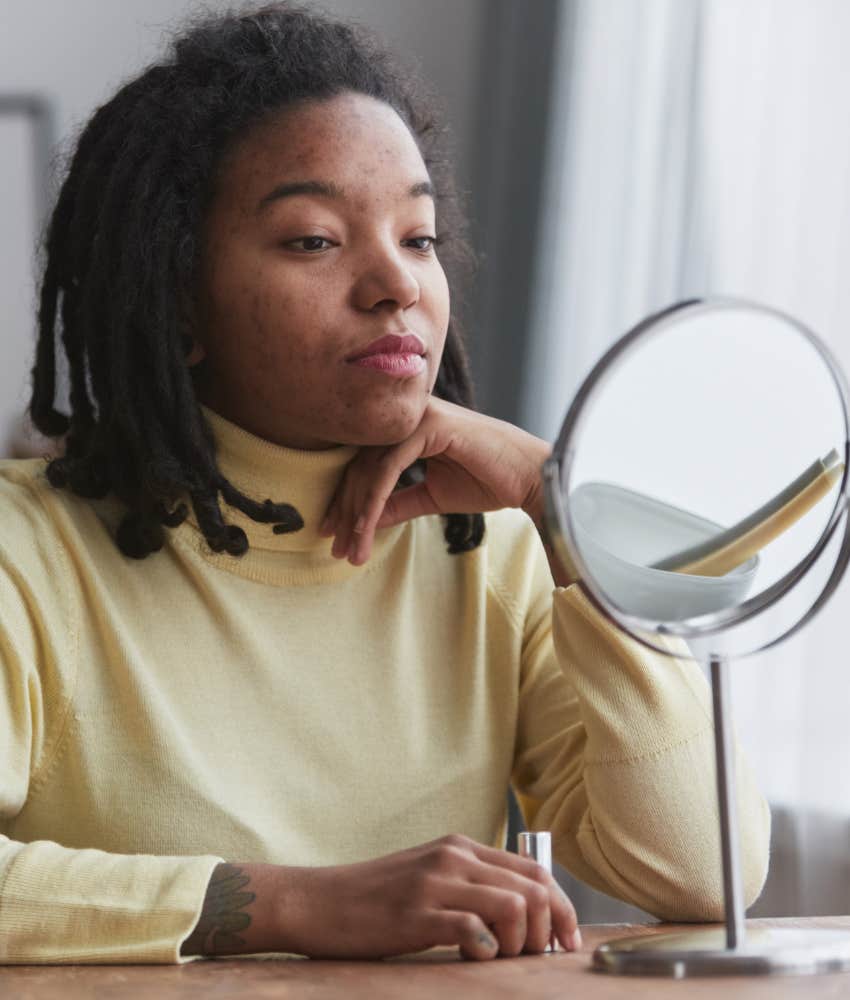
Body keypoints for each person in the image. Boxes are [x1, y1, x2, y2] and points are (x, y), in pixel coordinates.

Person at [0, 2, 770, 965]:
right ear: (177, 296)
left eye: (418, 237)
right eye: (314, 241)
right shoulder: (26, 552)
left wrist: (558, 500)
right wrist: (280, 904)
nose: (396, 284)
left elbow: (706, 875)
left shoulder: (498, 549)